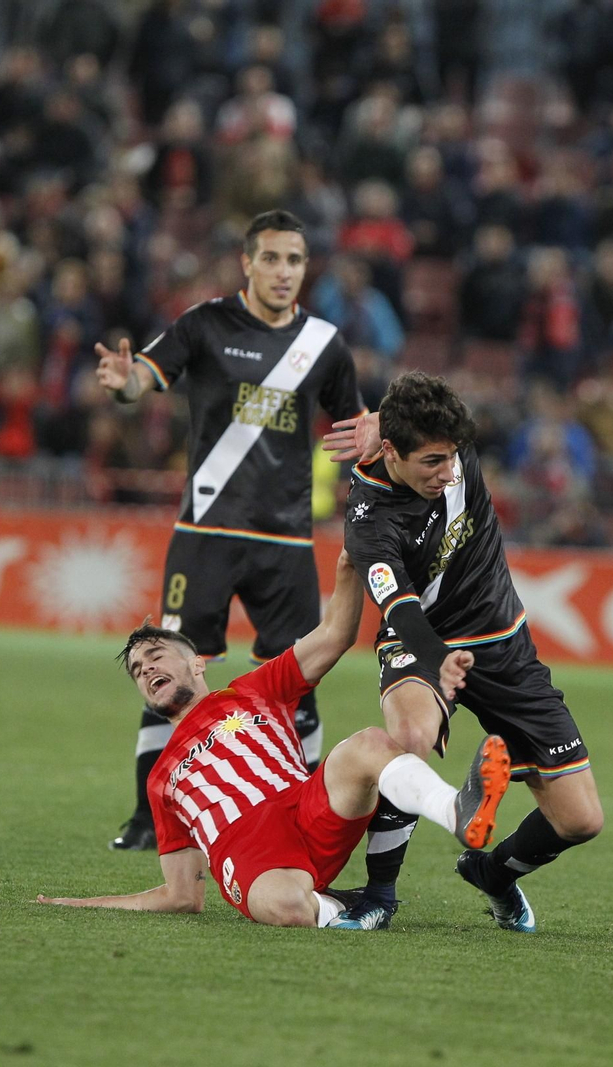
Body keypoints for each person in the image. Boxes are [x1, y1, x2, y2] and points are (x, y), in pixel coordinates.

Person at [35, 552, 512, 927]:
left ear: (197, 662)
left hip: (308, 806)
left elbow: (334, 635)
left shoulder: (254, 688)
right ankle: (340, 911)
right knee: (286, 907)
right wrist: (81, 903)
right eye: (139, 671)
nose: (148, 671)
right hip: (251, 855)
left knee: (370, 742)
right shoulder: (161, 780)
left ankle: (459, 810)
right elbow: (182, 896)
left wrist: (348, 564)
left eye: (157, 656)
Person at [94, 210, 364, 851]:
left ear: (305, 268)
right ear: (247, 262)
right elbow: (142, 379)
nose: (282, 272)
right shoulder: (206, 324)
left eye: (294, 261)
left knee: (299, 678)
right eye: (270, 259)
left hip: (287, 542)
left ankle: (303, 807)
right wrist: (123, 382)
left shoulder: (324, 344)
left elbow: (358, 429)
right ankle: (147, 818)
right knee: (170, 674)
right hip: (205, 534)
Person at [322, 372, 604, 931]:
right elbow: (399, 606)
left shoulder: (446, 439)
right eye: (431, 462)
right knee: (408, 739)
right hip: (420, 640)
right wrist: (436, 659)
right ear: (390, 454)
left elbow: (433, 398)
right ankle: (379, 896)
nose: (449, 472)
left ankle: (494, 874)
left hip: (502, 641)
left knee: (581, 819)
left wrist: (382, 414)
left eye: (452, 458)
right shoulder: (369, 522)